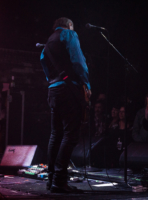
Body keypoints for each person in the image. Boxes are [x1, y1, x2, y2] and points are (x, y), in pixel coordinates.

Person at [40, 17, 91, 193]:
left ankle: (52, 179)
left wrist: (54, 81)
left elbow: (44, 64)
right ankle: (60, 181)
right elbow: (78, 61)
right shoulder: (69, 34)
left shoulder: (47, 44)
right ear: (68, 25)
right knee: (70, 135)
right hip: (68, 90)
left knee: (56, 134)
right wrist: (86, 83)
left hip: (53, 89)